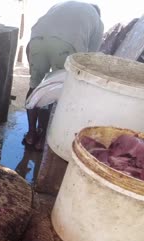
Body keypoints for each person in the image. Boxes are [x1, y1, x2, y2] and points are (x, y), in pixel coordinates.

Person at [25, 1, 104, 151]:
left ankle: (31, 134)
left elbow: (40, 26)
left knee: (34, 86)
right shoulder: (97, 21)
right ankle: (42, 139)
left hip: (36, 41)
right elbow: (89, 58)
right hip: (66, 46)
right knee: (57, 91)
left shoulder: (62, 6)